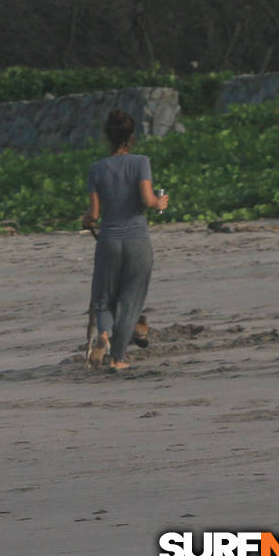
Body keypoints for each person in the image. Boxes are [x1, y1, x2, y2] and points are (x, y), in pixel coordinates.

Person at [82, 109, 168, 370]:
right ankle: (118, 358)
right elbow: (147, 200)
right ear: (131, 137)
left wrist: (86, 220)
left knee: (103, 296)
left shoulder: (96, 169)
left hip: (108, 240)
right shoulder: (141, 162)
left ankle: (104, 334)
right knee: (130, 299)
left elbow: (94, 214)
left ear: (107, 137)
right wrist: (160, 201)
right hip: (137, 239)